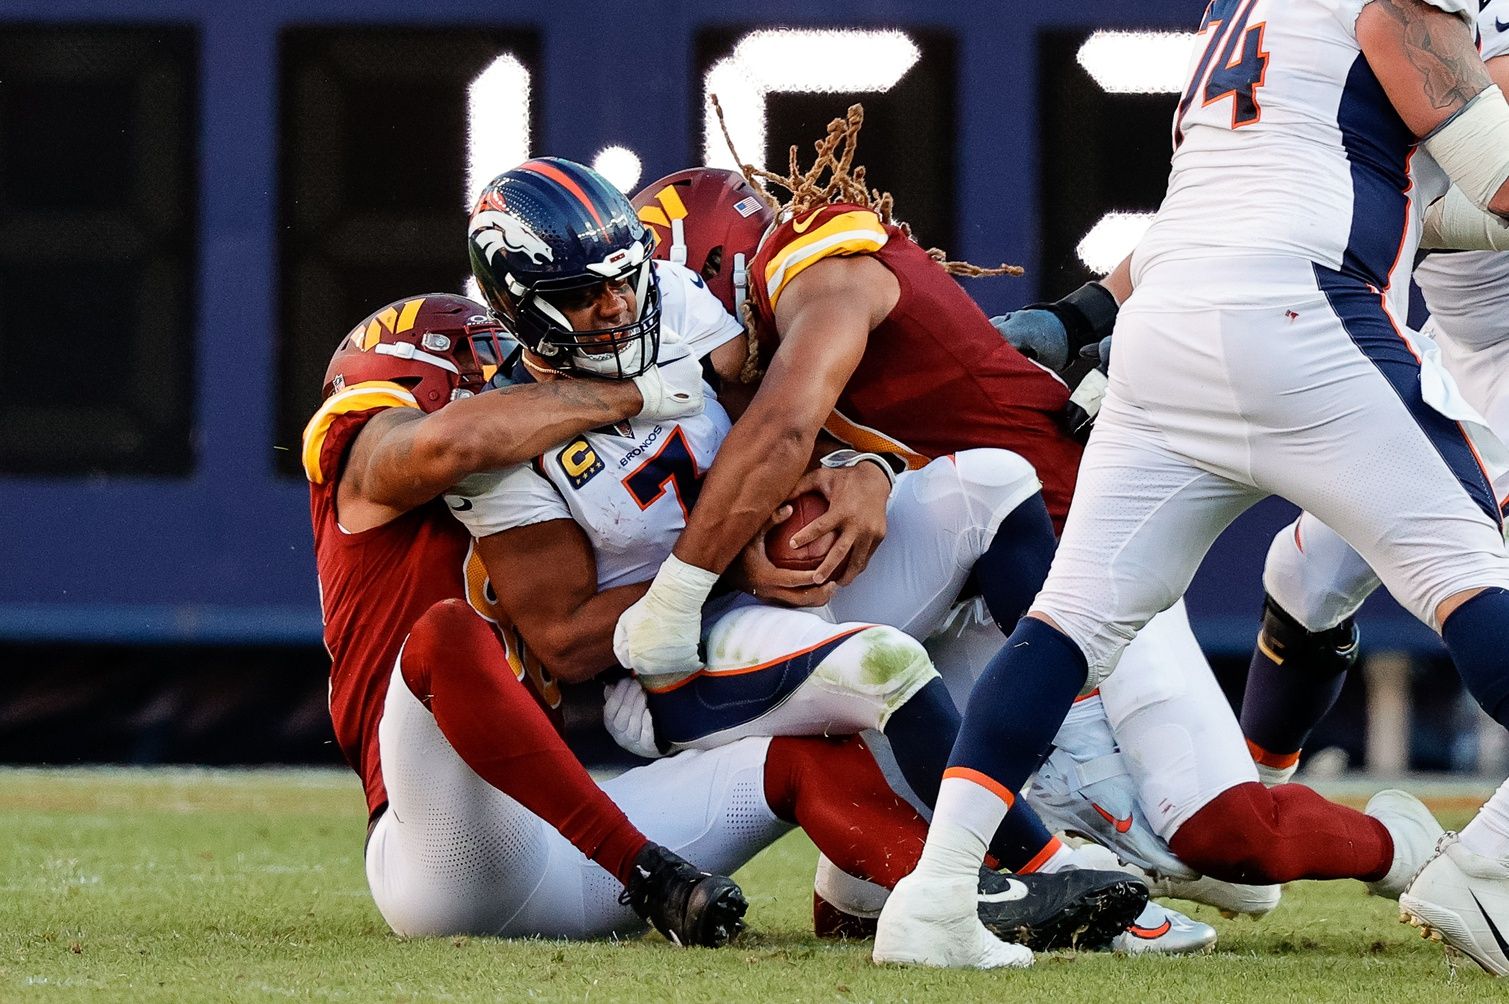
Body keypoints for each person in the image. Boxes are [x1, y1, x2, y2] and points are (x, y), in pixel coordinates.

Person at [619, 105, 1436, 953]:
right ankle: (873, 877)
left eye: (675, 305)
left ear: (714, 267)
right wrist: (876, 469)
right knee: (883, 700)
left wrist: (680, 593)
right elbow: (880, 426)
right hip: (977, 593)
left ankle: (1407, 849)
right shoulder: (749, 353)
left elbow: (791, 419)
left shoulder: (818, 265)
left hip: (1090, 556)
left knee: (1223, 837)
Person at [867, 0, 1509, 970]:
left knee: (1070, 620)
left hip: (1166, 321)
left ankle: (940, 895)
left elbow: (1246, 183)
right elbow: (1475, 152)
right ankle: (1491, 870)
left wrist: (1086, 310)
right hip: (1305, 311)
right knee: (1474, 574)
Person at [450, 157, 1147, 960]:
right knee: (879, 664)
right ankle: (1035, 872)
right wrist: (718, 572)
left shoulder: (672, 301)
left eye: (624, 280)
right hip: (666, 667)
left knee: (994, 480)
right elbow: (565, 640)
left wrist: (868, 468)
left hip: (765, 584)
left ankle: (1080, 765)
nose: (617, 306)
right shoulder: (499, 448)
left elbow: (784, 428)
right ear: (515, 305)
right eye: (581, 296)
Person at [304, 290, 761, 944]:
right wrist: (635, 392)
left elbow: (584, 627)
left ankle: (896, 901)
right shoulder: (366, 450)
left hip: (562, 846)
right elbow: (444, 446)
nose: (515, 375)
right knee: (446, 636)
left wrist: (728, 560)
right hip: (440, 856)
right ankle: (654, 875)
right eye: (489, 363)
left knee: (795, 754)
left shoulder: (536, 485)